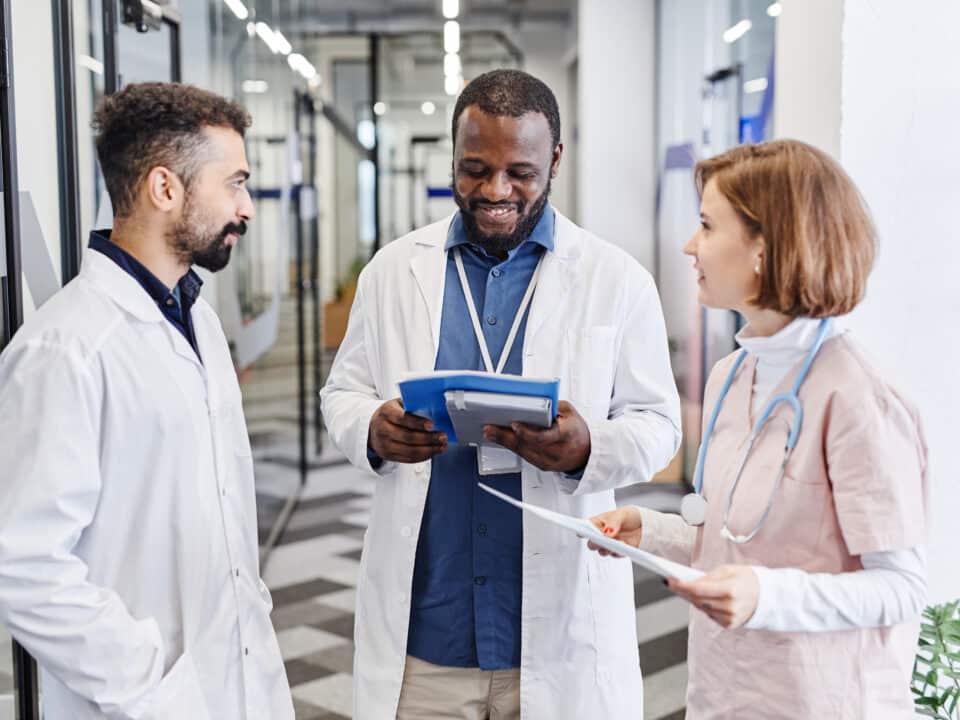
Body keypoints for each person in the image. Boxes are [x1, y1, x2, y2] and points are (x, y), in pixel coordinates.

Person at [321, 69, 681, 718]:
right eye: (474, 169)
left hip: (558, 634)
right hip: (427, 642)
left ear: (556, 160)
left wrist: (586, 447)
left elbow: (659, 423)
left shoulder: (616, 279)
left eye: (520, 171)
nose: (495, 191)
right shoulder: (394, 271)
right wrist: (373, 427)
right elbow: (342, 390)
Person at [590, 139, 928, 719]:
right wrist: (650, 531)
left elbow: (900, 587)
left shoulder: (858, 399)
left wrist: (769, 597)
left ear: (764, 251)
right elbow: (737, 543)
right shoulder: (733, 374)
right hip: (725, 696)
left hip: (822, 702)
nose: (690, 245)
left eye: (706, 226)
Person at [0, 82, 293, 719]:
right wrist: (147, 678)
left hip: (237, 679)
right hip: (144, 699)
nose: (245, 206)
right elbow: (20, 561)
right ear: (166, 189)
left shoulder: (199, 321)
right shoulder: (65, 348)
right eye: (233, 183)